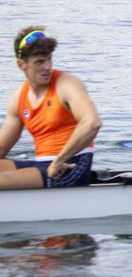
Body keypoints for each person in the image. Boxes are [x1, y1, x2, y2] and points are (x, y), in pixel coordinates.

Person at [0, 27, 102, 189]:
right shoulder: (18, 99)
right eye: (40, 62)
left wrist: (60, 160)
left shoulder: (67, 84)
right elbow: (2, 147)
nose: (47, 67)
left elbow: (92, 123)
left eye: (49, 59)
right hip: (46, 165)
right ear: (22, 65)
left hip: (69, 165)